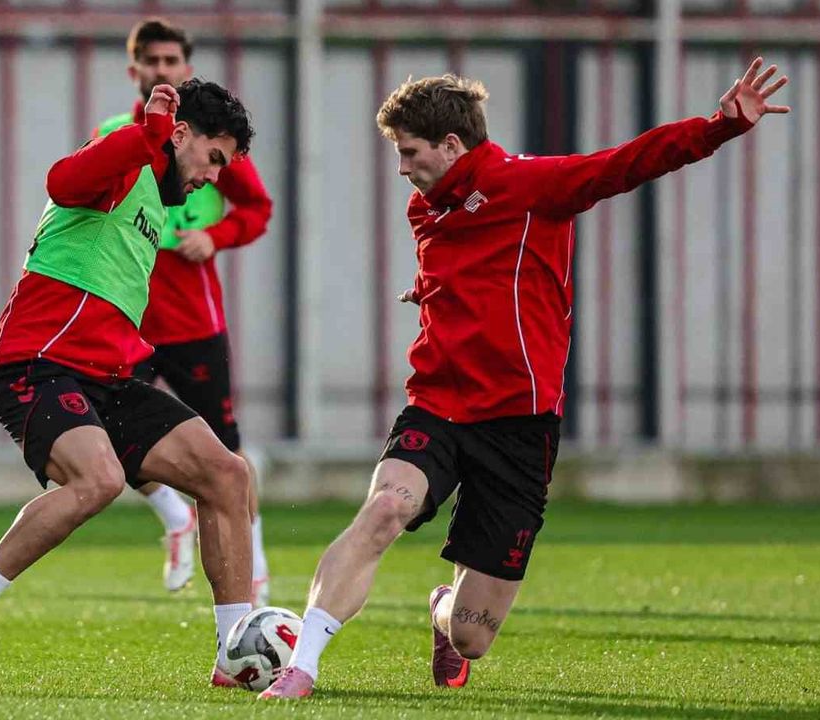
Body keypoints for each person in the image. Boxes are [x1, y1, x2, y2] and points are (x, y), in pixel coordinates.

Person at [261, 57, 790, 699]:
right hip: (438, 406)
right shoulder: (427, 208)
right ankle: (302, 665)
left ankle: (441, 610)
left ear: (451, 145)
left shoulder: (533, 185)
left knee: (471, 636)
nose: (402, 168)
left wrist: (719, 127)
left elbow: (626, 163)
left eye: (409, 152)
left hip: (519, 424)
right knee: (385, 509)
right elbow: (466, 272)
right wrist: (429, 292)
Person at [0, 80, 256, 685]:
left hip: (106, 377)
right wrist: (145, 135)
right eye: (214, 158)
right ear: (181, 134)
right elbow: (61, 181)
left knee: (228, 474)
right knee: (97, 479)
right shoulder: (124, 164)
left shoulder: (157, 203)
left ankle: (236, 653)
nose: (214, 176)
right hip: (36, 361)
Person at [97, 17, 274, 603]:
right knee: (110, 436)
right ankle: (177, 518)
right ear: (134, 70)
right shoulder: (116, 134)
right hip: (128, 317)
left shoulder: (210, 139)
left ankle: (255, 565)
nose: (161, 69)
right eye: (152, 61)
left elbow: (257, 209)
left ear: (185, 68)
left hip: (193, 320)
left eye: (171, 61)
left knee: (226, 450)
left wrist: (214, 237)